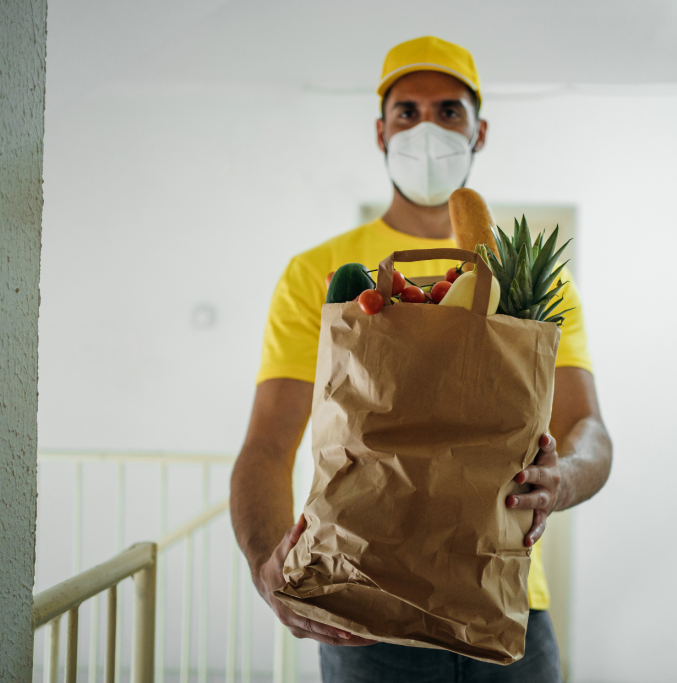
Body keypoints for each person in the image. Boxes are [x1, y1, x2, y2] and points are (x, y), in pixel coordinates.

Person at [230, 36, 612, 683]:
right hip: (364, 603)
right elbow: (269, 441)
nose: (426, 128)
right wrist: (269, 565)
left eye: (448, 111)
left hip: (509, 596)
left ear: (479, 130)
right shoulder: (314, 274)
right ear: (380, 131)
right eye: (407, 112)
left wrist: (564, 479)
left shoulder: (536, 287)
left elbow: (589, 427)